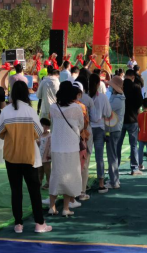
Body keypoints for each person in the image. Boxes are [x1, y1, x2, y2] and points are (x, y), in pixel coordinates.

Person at [0, 81, 51, 234]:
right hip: (29, 156)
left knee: (16, 191)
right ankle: (39, 223)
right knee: (34, 191)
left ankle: (18, 223)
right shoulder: (30, 111)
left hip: (11, 156)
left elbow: (1, 133)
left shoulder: (6, 111)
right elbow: (39, 132)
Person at [48, 81, 84, 216]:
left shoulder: (53, 107)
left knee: (56, 175)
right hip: (71, 146)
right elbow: (81, 125)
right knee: (69, 176)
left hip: (57, 146)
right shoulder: (77, 108)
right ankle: (66, 208)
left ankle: (52, 206)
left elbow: (52, 123)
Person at [88, 74, 112, 194]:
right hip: (99, 128)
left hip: (87, 129)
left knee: (85, 157)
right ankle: (101, 184)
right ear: (99, 84)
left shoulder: (85, 97)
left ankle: (82, 184)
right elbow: (108, 113)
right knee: (99, 157)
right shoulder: (103, 97)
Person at [119, 69, 143, 175]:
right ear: (133, 77)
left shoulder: (120, 86)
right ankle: (134, 168)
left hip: (120, 119)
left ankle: (115, 166)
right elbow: (140, 102)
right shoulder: (136, 87)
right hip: (133, 118)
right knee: (133, 145)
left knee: (118, 144)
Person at [107, 76, 126, 189]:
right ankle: (115, 179)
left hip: (113, 129)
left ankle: (114, 181)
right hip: (115, 129)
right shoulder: (117, 97)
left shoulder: (118, 99)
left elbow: (107, 110)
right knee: (113, 155)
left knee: (112, 156)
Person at [38, 117, 51, 190]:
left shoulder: (50, 136)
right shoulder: (39, 135)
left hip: (46, 157)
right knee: (39, 170)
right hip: (39, 156)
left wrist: (49, 155)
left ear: (47, 127)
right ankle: (39, 182)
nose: (41, 128)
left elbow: (51, 146)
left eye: (43, 126)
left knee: (47, 170)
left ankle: (48, 182)